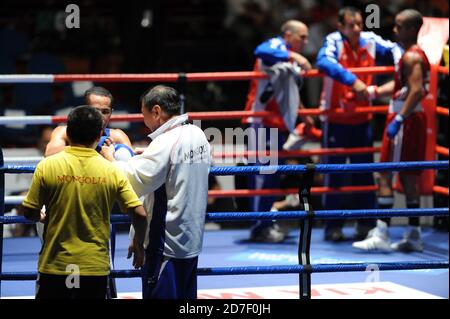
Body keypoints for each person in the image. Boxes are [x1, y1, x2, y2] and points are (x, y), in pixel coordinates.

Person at [21, 105, 148, 299]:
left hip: (56, 265)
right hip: (94, 266)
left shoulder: (46, 165)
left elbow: (29, 211)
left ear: (68, 133)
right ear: (99, 136)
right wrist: (138, 243)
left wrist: (39, 215)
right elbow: (139, 213)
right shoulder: (112, 170)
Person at [101, 85, 212, 299]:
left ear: (157, 111)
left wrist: (111, 160)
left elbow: (136, 180)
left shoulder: (166, 142)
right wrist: (150, 157)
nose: (145, 122)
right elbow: (177, 167)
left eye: (144, 115)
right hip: (191, 237)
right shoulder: (198, 133)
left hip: (166, 242)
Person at [316, 6, 403, 242]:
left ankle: (366, 225)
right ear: (340, 26)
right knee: (333, 176)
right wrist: (353, 81)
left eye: (359, 24)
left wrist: (402, 68)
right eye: (350, 25)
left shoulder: (371, 40)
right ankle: (332, 226)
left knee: (363, 174)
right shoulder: (333, 41)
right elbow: (323, 61)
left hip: (362, 118)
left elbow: (397, 50)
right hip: (335, 120)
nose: (356, 29)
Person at [352, 9, 430, 252]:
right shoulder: (412, 55)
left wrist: (399, 118)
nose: (394, 30)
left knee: (385, 173)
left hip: (405, 121)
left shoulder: (412, 57)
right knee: (408, 177)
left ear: (410, 29)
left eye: (398, 26)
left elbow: (416, 90)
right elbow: (404, 87)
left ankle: (382, 233)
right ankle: (414, 234)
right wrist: (374, 92)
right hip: (410, 118)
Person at [243, 19, 313, 243]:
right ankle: (258, 227)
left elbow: (289, 91)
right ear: (288, 35)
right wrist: (296, 57)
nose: (305, 41)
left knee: (271, 177)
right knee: (262, 177)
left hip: (278, 122)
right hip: (260, 121)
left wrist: (304, 114)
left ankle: (264, 224)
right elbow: (259, 50)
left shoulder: (285, 56)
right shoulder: (275, 47)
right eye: (301, 37)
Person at [45, 86, 134, 161]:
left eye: (105, 112)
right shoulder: (64, 132)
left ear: (111, 113)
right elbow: (49, 154)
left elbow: (132, 166)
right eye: (95, 110)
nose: (100, 116)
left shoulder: (117, 136)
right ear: (84, 110)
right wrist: (90, 147)